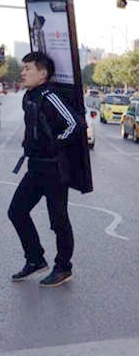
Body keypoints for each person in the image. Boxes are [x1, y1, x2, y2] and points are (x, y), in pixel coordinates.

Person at [8, 52, 81, 287]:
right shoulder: (29, 96)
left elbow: (75, 123)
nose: (23, 72)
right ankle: (35, 259)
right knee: (16, 211)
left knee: (58, 221)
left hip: (54, 170)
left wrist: (55, 145)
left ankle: (63, 267)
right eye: (23, 68)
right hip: (35, 167)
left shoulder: (50, 96)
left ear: (43, 73)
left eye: (28, 68)